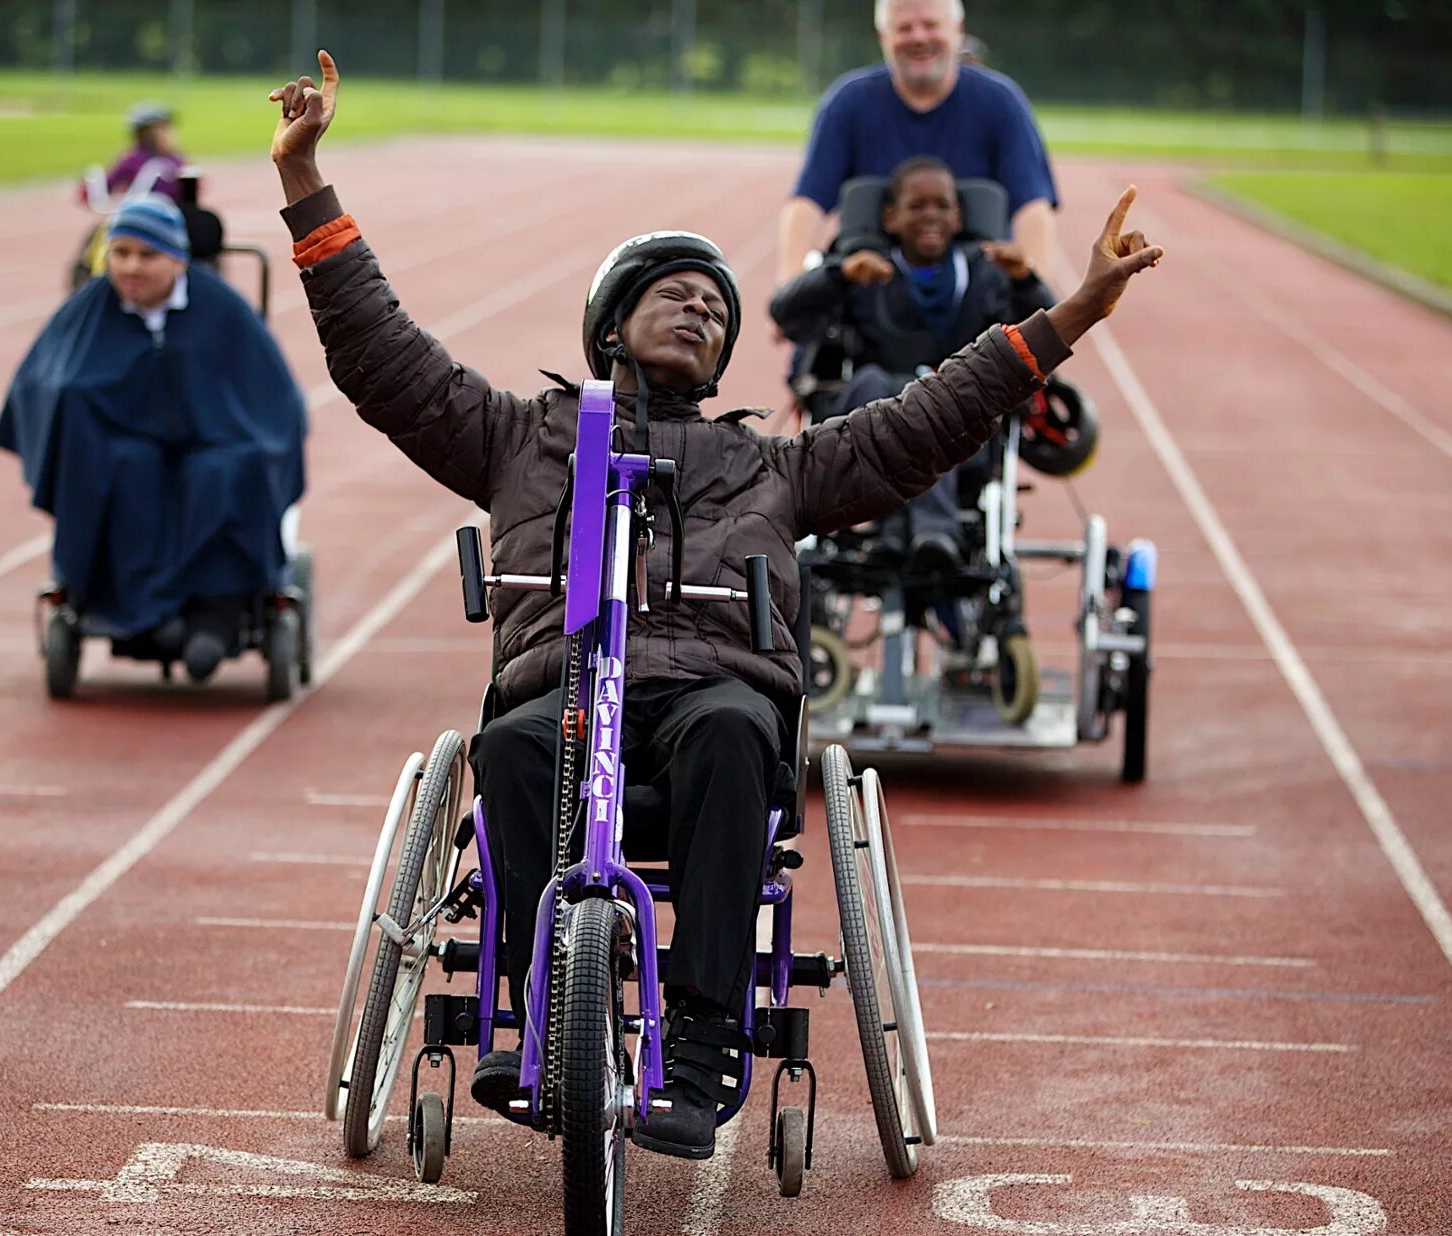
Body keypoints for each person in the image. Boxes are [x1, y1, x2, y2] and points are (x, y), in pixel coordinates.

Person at [269, 51, 1160, 1160]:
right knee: (507, 747)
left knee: (741, 734)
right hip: (567, 697)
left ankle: (699, 1039)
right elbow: (379, 356)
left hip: (711, 702)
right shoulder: (523, 440)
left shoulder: (772, 468)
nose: (697, 312)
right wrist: (305, 179)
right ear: (608, 326)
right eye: (671, 296)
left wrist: (1073, 309)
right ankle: (536, 1008)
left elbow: (931, 419)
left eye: (714, 309)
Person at [0, 195, 307, 684]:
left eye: (147, 256)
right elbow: (47, 381)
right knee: (123, 469)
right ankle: (139, 613)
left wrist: (241, 442)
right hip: (122, 444)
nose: (130, 267)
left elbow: (270, 396)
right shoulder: (90, 310)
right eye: (120, 254)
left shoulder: (221, 309)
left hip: (216, 440)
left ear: (179, 259)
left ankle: (217, 613)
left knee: (228, 470)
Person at [769, 154, 1052, 562]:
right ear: (889, 217)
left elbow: (1048, 336)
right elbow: (785, 314)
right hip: (870, 417)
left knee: (946, 398)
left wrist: (1026, 279)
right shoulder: (865, 270)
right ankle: (915, 530)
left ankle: (913, 531)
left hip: (962, 427)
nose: (930, 216)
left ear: (959, 218)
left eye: (943, 206)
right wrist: (839, 275)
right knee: (879, 385)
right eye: (916, 206)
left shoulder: (988, 274)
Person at [776, 0, 1062, 292]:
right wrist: (791, 288)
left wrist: (1035, 298)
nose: (919, 37)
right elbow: (807, 201)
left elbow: (1032, 207)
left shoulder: (1001, 103)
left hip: (972, 294)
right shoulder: (848, 103)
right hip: (873, 290)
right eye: (904, 28)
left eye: (930, 25)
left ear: (957, 30)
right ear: (883, 36)